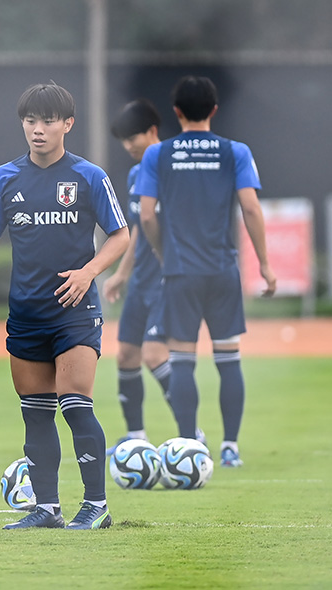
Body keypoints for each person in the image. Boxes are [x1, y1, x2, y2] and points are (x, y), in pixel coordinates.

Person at [0, 83, 129, 530]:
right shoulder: (5, 178)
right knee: (35, 414)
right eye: (30, 121)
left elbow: (121, 236)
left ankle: (96, 505)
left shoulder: (89, 177)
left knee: (75, 405)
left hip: (75, 313)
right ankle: (47, 509)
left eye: (48, 121)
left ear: (67, 124)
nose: (37, 129)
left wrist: (89, 272)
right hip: (27, 315)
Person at [137, 76, 276, 468]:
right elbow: (250, 208)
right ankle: (230, 446)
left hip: (180, 272)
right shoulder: (235, 152)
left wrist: (164, 254)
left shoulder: (157, 155)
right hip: (222, 270)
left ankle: (188, 446)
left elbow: (147, 215)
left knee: (182, 359)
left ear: (176, 112)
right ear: (214, 110)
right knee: (228, 358)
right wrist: (265, 265)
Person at [103, 98, 201, 455]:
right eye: (124, 140)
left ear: (152, 131)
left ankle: (192, 436)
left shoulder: (176, 166)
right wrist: (121, 274)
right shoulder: (134, 174)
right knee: (127, 354)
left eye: (134, 137)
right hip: (141, 282)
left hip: (170, 280)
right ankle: (136, 438)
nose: (129, 145)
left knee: (155, 355)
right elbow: (139, 227)